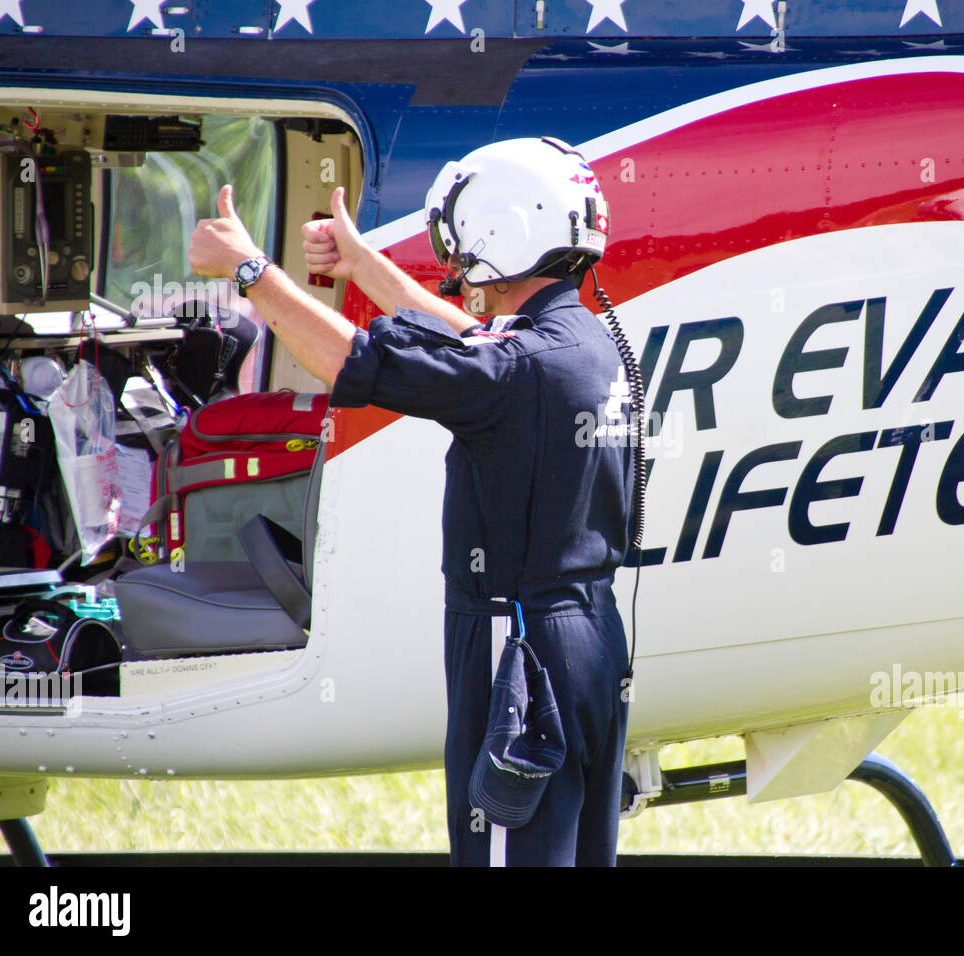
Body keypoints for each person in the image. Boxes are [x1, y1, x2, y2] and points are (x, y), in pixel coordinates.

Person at [188, 137, 634, 866]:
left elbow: (348, 361)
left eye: (462, 246)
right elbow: (470, 340)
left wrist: (248, 271)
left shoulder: (510, 370)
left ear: (505, 235)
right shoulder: (583, 345)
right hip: (591, 641)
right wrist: (363, 264)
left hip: (515, 646)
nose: (457, 269)